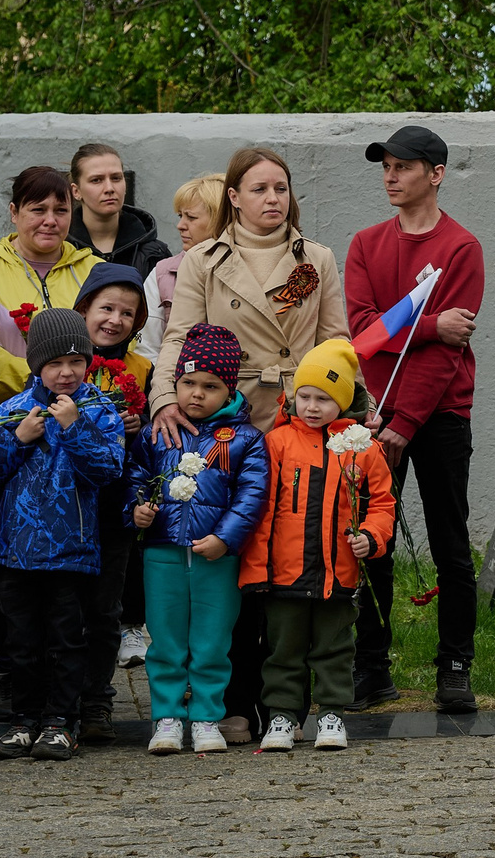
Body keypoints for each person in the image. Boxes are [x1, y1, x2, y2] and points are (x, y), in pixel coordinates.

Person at [147, 146, 350, 744]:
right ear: (233, 197)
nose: (272, 199)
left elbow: (335, 342)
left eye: (281, 188)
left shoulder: (315, 258)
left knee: (292, 556)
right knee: (231, 563)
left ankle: (287, 705)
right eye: (259, 189)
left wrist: (341, 417)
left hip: (300, 419)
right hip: (227, 423)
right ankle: (232, 704)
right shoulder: (204, 260)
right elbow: (178, 337)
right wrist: (164, 400)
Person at [346, 125, 488, 714]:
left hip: (438, 416)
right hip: (373, 416)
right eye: (386, 166)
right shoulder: (364, 244)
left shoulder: (461, 248)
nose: (391, 176)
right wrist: (429, 323)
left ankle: (454, 666)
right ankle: (371, 667)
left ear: (436, 174)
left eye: (404, 167)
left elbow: (445, 357)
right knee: (369, 540)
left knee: (450, 544)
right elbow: (364, 332)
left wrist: (406, 424)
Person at [0, 308, 124, 761]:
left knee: (67, 639)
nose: (66, 372)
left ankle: (60, 721)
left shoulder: (97, 408)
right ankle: (22, 720)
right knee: (20, 642)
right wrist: (16, 439)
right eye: (55, 362)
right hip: (13, 551)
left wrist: (74, 427)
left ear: (89, 362)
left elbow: (108, 469)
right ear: (36, 362)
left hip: (70, 551)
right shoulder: (13, 410)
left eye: (76, 362)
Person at [241, 341, 393, 753]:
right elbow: (261, 508)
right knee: (281, 648)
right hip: (284, 570)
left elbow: (382, 502)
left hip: (338, 571)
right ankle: (282, 717)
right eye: (304, 396)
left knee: (335, 646)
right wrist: (257, 568)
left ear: (342, 401)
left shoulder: (362, 446)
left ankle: (331, 713)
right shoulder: (276, 443)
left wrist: (373, 537)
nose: (311, 406)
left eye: (324, 399)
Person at [130, 323, 269, 756]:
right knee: (166, 638)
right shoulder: (158, 432)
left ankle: (208, 715)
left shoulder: (246, 439)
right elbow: (135, 477)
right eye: (187, 383)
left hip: (216, 557)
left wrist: (225, 539)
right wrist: (135, 512)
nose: (196, 394)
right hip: (163, 551)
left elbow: (252, 495)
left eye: (210, 386)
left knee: (212, 639)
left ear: (229, 390)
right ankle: (167, 716)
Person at [72, 264, 152, 744]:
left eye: (127, 312)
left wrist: (137, 430)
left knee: (105, 608)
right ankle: (55, 699)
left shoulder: (143, 369)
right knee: (64, 608)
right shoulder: (62, 362)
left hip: (115, 504)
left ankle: (97, 701)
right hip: (66, 506)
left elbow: (152, 442)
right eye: (106, 308)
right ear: (84, 310)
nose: (115, 320)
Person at [0, 165, 101, 415]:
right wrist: (39, 380)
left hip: (86, 416)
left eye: (61, 211)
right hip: (7, 421)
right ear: (14, 212)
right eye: (38, 210)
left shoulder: (96, 271)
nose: (50, 221)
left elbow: (121, 339)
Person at [67, 144, 172, 340]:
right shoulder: (62, 251)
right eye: (96, 180)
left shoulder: (154, 253)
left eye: (116, 178)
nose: (109, 188)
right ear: (76, 191)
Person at [150, 174, 224, 320]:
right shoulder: (163, 273)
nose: (180, 226)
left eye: (191, 217)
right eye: (180, 216)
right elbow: (147, 342)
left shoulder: (248, 268)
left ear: (220, 219)